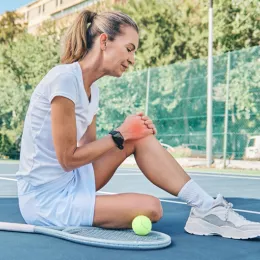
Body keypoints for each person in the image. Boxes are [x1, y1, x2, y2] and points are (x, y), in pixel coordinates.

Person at [16, 10, 260, 239]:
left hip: (72, 182)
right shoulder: (63, 80)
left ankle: (206, 209)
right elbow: (68, 159)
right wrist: (120, 134)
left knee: (139, 137)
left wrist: (131, 134)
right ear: (104, 42)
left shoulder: (93, 90)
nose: (132, 60)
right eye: (129, 49)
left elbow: (87, 154)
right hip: (45, 200)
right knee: (151, 207)